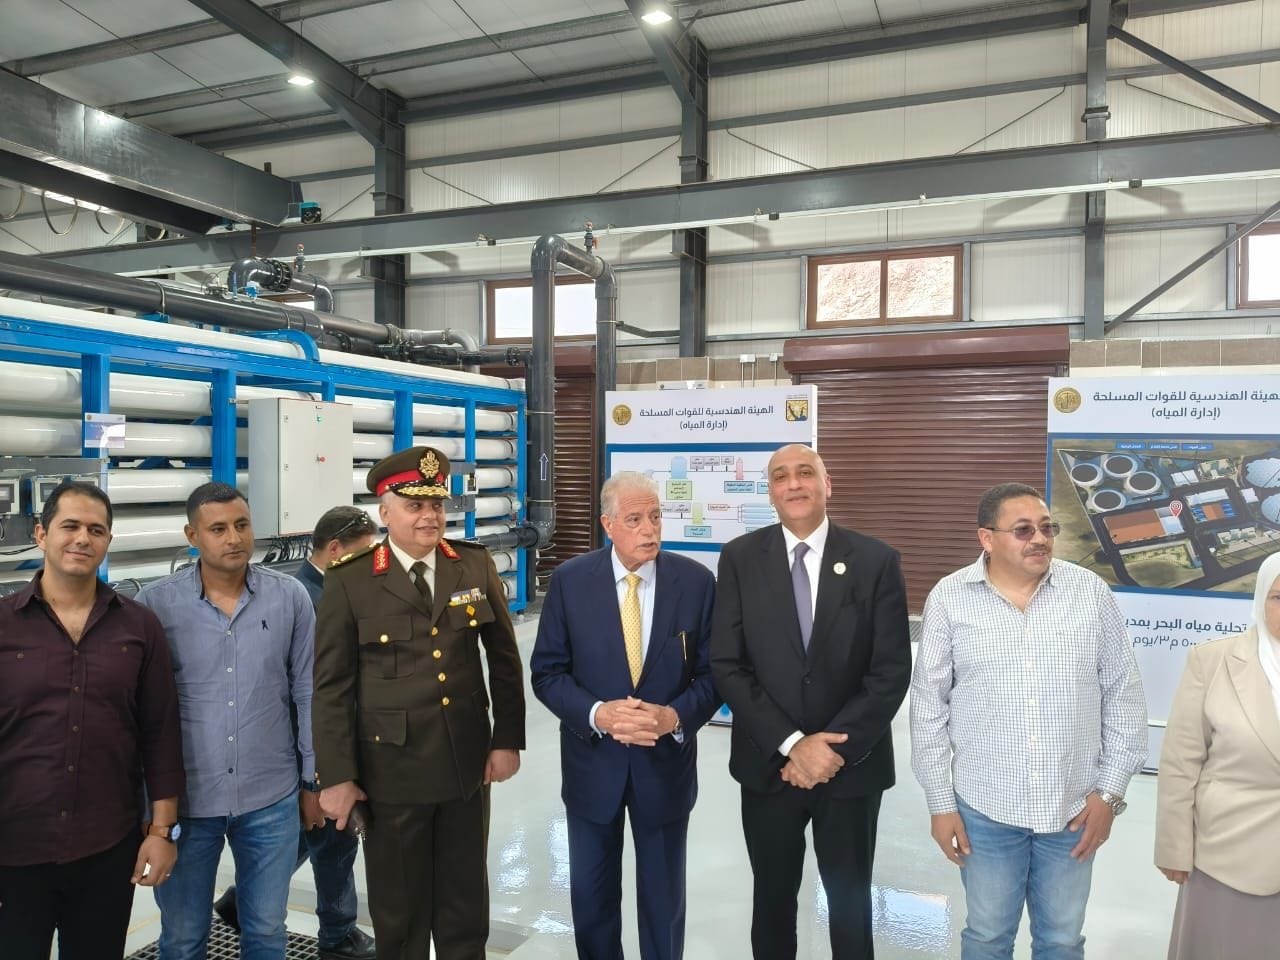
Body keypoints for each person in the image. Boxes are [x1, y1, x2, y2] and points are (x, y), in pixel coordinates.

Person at [910, 482, 1147, 960]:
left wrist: (1109, 794)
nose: (1039, 539)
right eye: (1022, 530)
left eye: (1046, 528)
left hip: (1073, 808)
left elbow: (1124, 695)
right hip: (985, 808)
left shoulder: (1089, 592)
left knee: (1062, 940)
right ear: (987, 538)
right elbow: (928, 708)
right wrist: (940, 803)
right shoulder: (950, 598)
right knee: (987, 936)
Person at [312, 446, 526, 960]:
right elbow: (331, 687)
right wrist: (337, 776)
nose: (430, 516)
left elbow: (504, 659)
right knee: (400, 914)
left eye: (436, 505)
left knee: (464, 906)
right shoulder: (350, 579)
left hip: (465, 764)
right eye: (414, 506)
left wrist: (507, 740)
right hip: (391, 772)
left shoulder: (471, 565)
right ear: (385, 512)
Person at [711, 444, 911, 960]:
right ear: (770, 492)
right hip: (768, 766)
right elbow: (727, 663)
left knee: (850, 905)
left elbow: (890, 671)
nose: (793, 484)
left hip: (850, 768)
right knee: (772, 900)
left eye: (805, 473)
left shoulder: (875, 561)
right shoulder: (739, 558)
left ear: (827, 484)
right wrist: (793, 744)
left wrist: (829, 751)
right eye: (781, 476)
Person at [530, 471, 718, 960]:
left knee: (664, 901)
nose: (649, 529)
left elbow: (715, 674)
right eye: (634, 519)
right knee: (591, 900)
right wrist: (598, 713)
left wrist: (673, 717)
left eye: (655, 516)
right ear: (608, 524)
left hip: (664, 769)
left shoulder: (695, 583)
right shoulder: (571, 582)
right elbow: (547, 673)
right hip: (593, 767)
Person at [0, 480, 185, 960]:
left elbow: (160, 734)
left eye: (96, 530)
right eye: (70, 526)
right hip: (13, 848)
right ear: (41, 534)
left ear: (108, 541)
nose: (83, 538)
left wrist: (162, 832)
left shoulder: (139, 626)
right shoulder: (4, 624)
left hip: (106, 847)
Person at [137, 482, 319, 960]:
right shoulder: (156, 607)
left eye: (242, 525)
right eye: (217, 529)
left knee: (266, 930)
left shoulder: (290, 597)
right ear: (192, 536)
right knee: (183, 936)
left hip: (271, 797)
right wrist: (150, 807)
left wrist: (312, 780)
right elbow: (143, 713)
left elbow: (307, 692)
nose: (234, 538)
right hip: (188, 803)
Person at [214, 505, 379, 960]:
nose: (372, 564)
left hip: (310, 747)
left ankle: (240, 902)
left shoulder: (317, 591)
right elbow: (311, 689)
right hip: (316, 748)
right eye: (364, 554)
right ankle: (339, 934)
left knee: (310, 835)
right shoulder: (310, 600)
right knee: (336, 842)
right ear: (335, 549)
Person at [1155, 550, 1280, 959]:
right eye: (1279, 598)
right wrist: (1174, 847)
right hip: (1227, 852)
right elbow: (1180, 763)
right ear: (1260, 599)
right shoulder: (1213, 662)